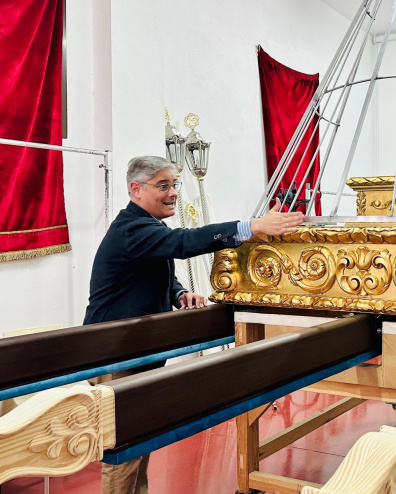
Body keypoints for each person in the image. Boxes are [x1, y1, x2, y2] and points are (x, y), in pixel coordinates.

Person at [84, 155, 304, 493]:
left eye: (174, 184)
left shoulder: (147, 227)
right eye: (163, 185)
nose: (173, 192)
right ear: (136, 189)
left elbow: (153, 271)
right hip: (114, 354)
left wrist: (179, 293)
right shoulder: (132, 229)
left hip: (134, 349)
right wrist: (252, 227)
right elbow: (184, 242)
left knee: (138, 441)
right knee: (123, 447)